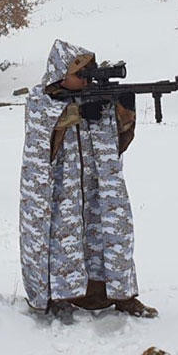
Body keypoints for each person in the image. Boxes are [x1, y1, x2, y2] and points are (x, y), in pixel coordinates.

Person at [19, 39, 157, 321]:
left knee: (111, 234)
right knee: (63, 241)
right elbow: (42, 131)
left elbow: (118, 143)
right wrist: (77, 113)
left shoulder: (96, 96)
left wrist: (124, 109)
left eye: (88, 74)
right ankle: (61, 296)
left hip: (98, 188)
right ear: (60, 72)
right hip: (60, 191)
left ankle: (120, 294)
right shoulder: (39, 99)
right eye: (79, 74)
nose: (85, 80)